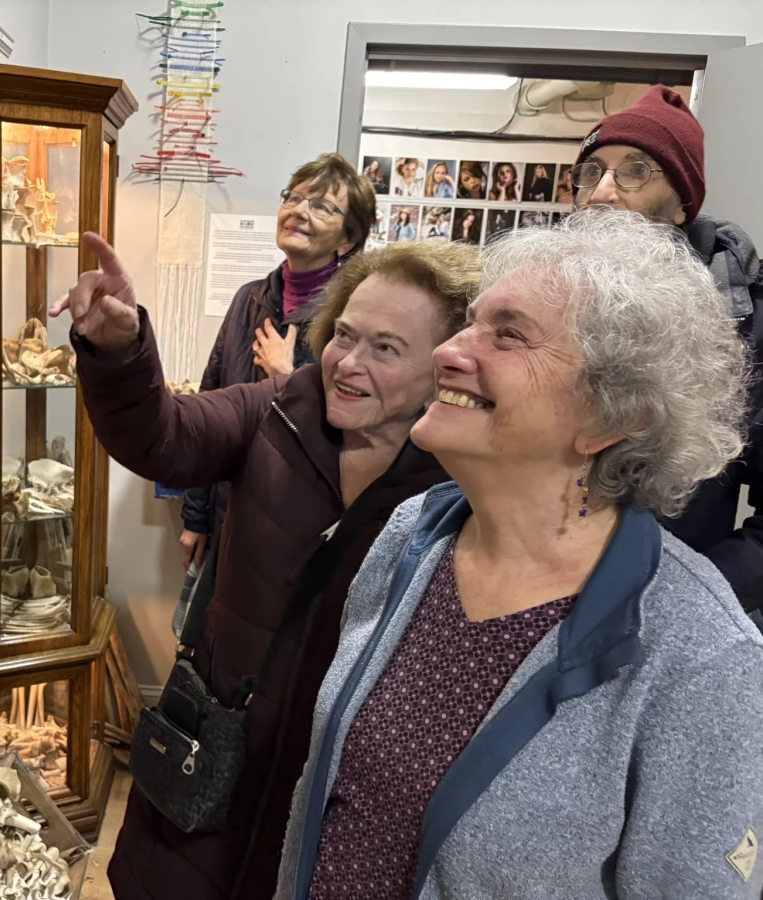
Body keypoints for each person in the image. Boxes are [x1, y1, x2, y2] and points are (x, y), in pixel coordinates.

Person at [275, 210, 763, 900]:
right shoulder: (416, 532)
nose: (450, 350)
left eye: (507, 334)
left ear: (613, 416)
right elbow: (328, 802)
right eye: (471, 321)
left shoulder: (700, 654)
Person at [50, 232, 482, 900]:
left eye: (386, 348)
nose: (347, 362)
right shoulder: (282, 408)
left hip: (334, 793)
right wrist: (118, 352)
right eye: (344, 334)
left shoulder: (465, 484)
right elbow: (163, 435)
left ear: (444, 365)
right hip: (213, 756)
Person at [573, 84, 763, 617]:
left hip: (664, 615)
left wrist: (682, 600)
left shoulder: (749, 321)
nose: (603, 193)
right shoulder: (539, 301)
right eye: (592, 172)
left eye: (635, 171)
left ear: (681, 204)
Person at [179, 153, 375, 571]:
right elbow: (210, 407)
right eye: (294, 197)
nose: (299, 212)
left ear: (347, 238)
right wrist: (196, 516)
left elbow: (361, 436)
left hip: (300, 525)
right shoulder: (248, 298)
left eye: (321, 206)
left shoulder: (357, 316)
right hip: (229, 509)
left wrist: (288, 378)